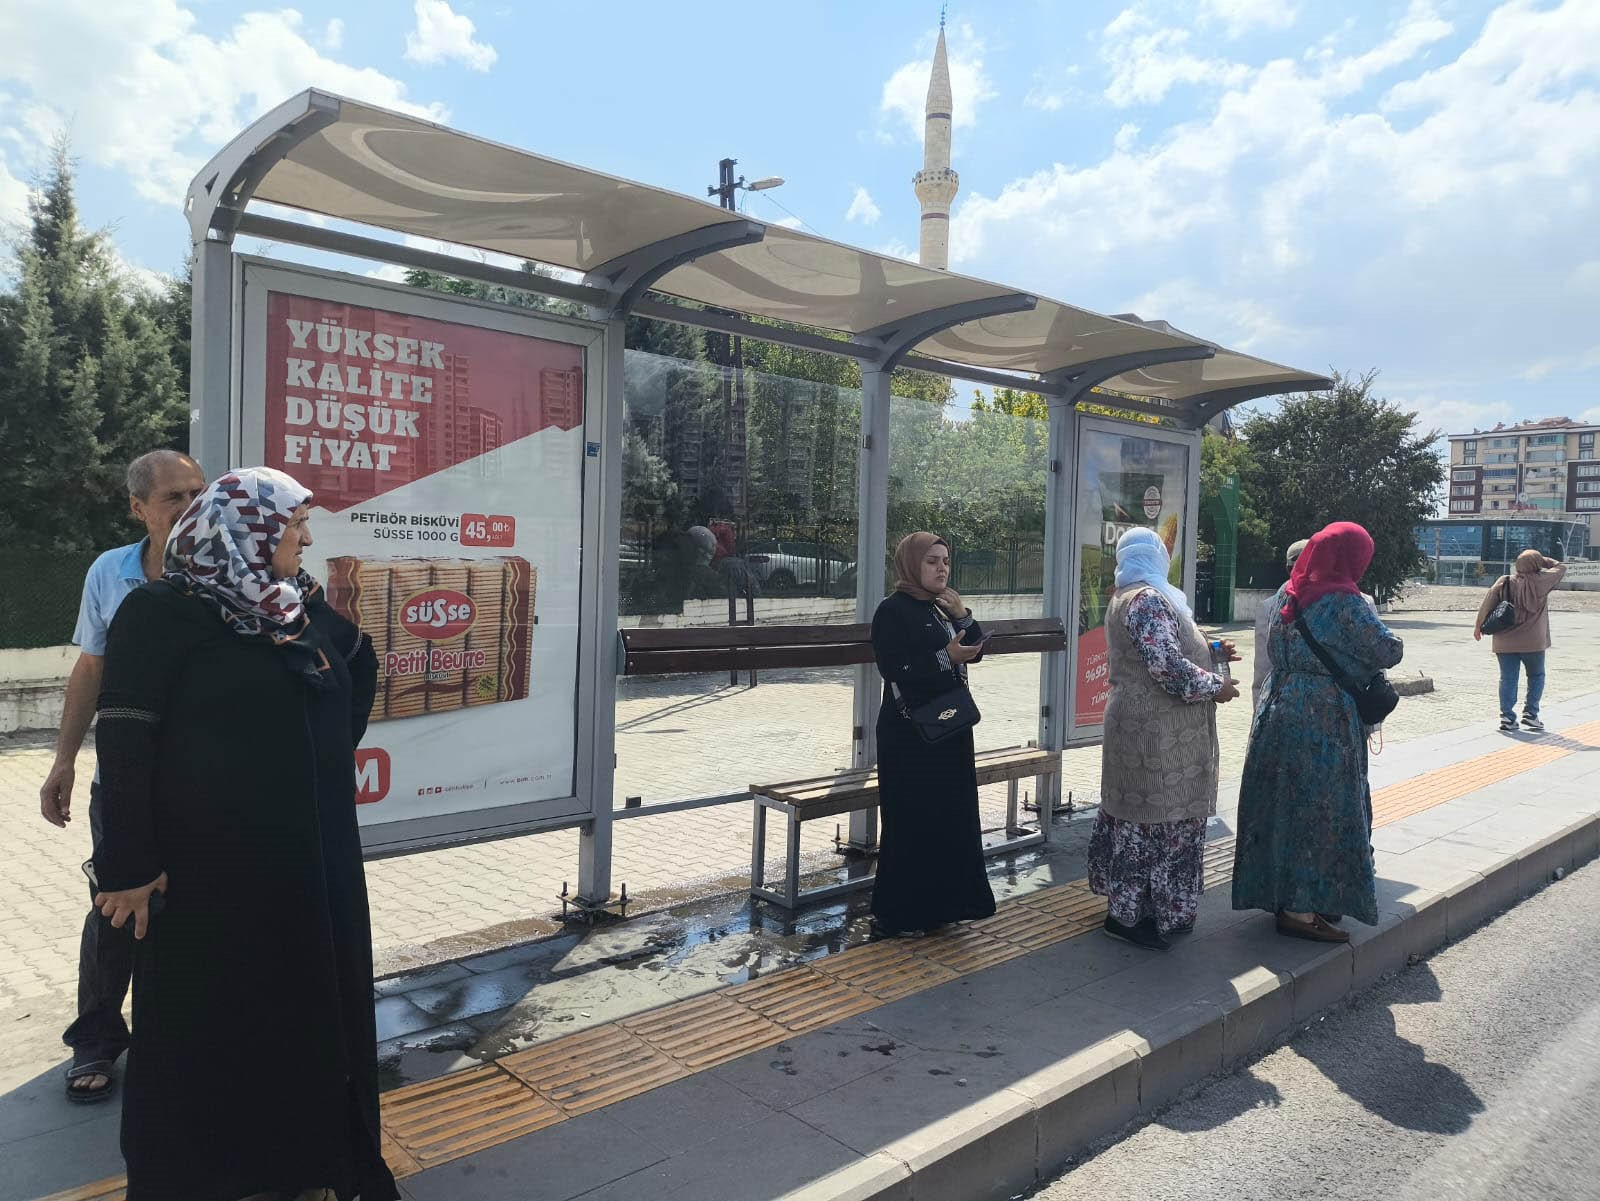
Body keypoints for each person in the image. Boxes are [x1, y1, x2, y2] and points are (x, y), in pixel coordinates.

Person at [90, 467, 397, 1201]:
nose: (307, 538)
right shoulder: (161, 612)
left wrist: (312, 753)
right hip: (204, 876)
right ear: (248, 528)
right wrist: (128, 864)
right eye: (295, 525)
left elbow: (358, 672)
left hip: (309, 865)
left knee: (306, 1015)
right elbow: (125, 735)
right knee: (207, 1028)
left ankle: (306, 1168)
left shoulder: (292, 613)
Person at [39, 449, 205, 1103]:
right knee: (115, 908)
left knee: (194, 912)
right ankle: (96, 1039)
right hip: (126, 781)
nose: (191, 508)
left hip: (202, 784)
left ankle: (183, 1036)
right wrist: (63, 759)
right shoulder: (111, 571)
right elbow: (91, 669)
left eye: (199, 493)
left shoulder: (225, 574)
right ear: (139, 509)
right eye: (175, 498)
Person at [1232, 522, 1404, 942]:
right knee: (1322, 810)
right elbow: (1388, 650)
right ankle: (1303, 909)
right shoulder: (1345, 601)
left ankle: (1280, 894)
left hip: (1278, 707)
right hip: (1322, 716)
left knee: (1280, 806)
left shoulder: (1287, 596)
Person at [1091, 528, 1239, 950]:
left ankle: (1150, 908)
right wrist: (1217, 686)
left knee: (1147, 819)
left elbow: (1163, 645)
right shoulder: (1149, 599)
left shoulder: (1133, 595)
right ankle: (1130, 916)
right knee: (1154, 820)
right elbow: (1167, 665)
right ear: (1156, 557)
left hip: (1146, 725)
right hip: (1155, 730)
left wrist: (1212, 648)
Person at [869, 531, 995, 934]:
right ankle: (903, 913)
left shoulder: (940, 608)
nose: (941, 568)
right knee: (912, 819)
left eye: (945, 561)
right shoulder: (893, 610)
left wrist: (962, 614)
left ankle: (945, 906)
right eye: (932, 561)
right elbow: (895, 668)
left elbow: (976, 648)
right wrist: (946, 656)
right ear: (911, 564)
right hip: (910, 735)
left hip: (950, 727)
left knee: (950, 817)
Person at [1474, 549, 1567, 732]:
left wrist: (1478, 626)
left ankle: (1507, 718)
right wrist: (1543, 561)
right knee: (1536, 676)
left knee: (1508, 679)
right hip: (1533, 642)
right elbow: (1561, 567)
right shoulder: (1542, 581)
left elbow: (1487, 604)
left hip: (1504, 642)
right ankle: (1531, 714)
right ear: (1536, 564)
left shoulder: (1505, 581)